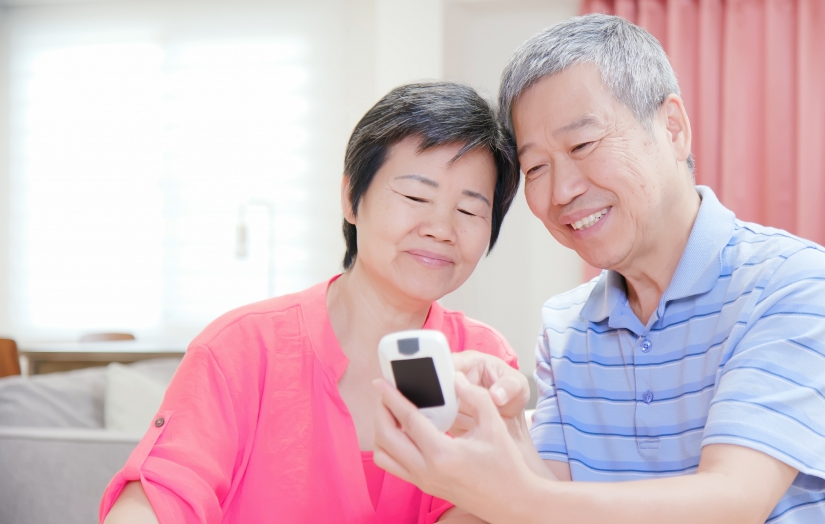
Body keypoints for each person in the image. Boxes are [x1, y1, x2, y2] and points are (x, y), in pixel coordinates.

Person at [372, 14, 825, 524]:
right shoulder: (568, 327)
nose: (562, 191)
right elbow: (557, 504)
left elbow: (733, 504)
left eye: (582, 145)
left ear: (672, 128)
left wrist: (511, 496)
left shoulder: (792, 282)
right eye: (536, 168)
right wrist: (510, 433)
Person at [99, 81, 521, 524]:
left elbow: (485, 508)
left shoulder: (485, 361)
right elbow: (159, 498)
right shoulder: (240, 348)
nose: (441, 228)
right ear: (351, 199)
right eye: (416, 196)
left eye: (470, 211)